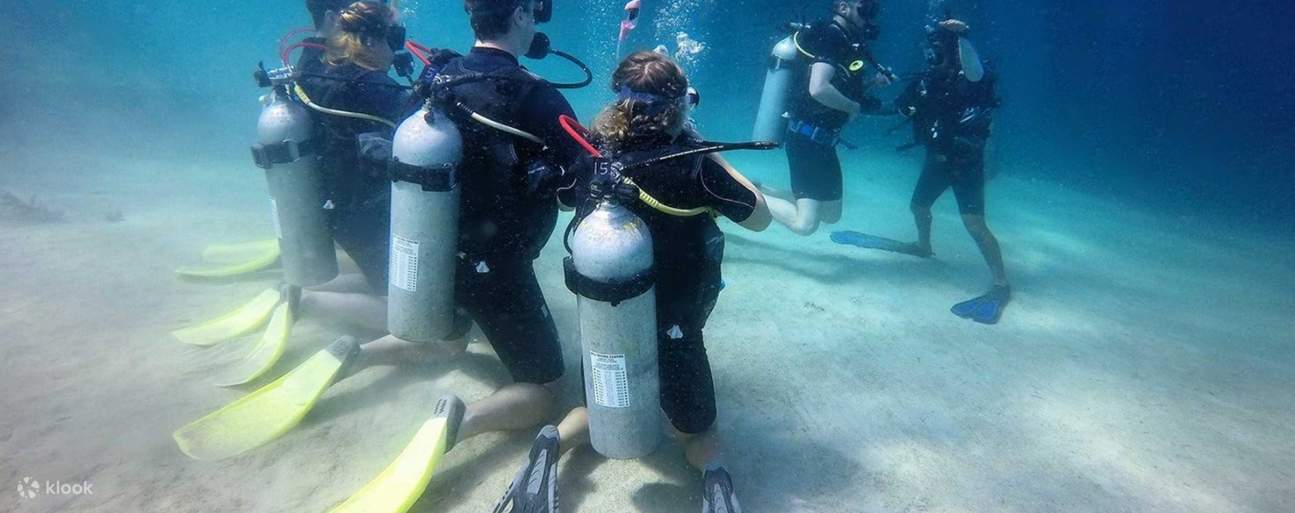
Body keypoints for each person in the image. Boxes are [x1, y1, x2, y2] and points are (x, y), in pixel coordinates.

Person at [494, 51, 771, 513]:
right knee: (696, 432)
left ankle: (550, 445)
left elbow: (564, 199)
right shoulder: (695, 163)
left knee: (597, 406)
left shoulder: (594, 157)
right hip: (674, 323)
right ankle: (716, 481)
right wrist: (705, 146)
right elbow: (759, 216)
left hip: (610, 322)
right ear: (680, 103)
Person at [834, 14, 1010, 323]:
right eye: (930, 51)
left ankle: (1000, 284)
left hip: (965, 162)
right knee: (918, 206)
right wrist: (855, 107)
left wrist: (961, 37)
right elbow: (896, 109)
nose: (931, 56)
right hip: (937, 160)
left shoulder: (970, 80)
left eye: (938, 51)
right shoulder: (925, 81)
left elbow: (976, 74)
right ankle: (923, 245)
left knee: (974, 224)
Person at [288, 0, 416, 333]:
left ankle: (306, 290)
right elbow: (422, 127)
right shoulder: (375, 86)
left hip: (338, 207)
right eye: (395, 37)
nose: (399, 46)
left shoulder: (322, 68)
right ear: (370, 41)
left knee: (379, 278)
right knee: (417, 310)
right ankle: (304, 302)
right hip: (368, 215)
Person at [760, 0, 891, 235]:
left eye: (873, 11)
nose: (869, 17)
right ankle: (743, 191)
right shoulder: (833, 37)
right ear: (843, 8)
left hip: (825, 141)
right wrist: (854, 107)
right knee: (805, 225)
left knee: (831, 215)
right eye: (865, 9)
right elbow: (818, 88)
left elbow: (840, 89)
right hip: (806, 138)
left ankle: (762, 190)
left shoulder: (848, 42)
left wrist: (872, 84)